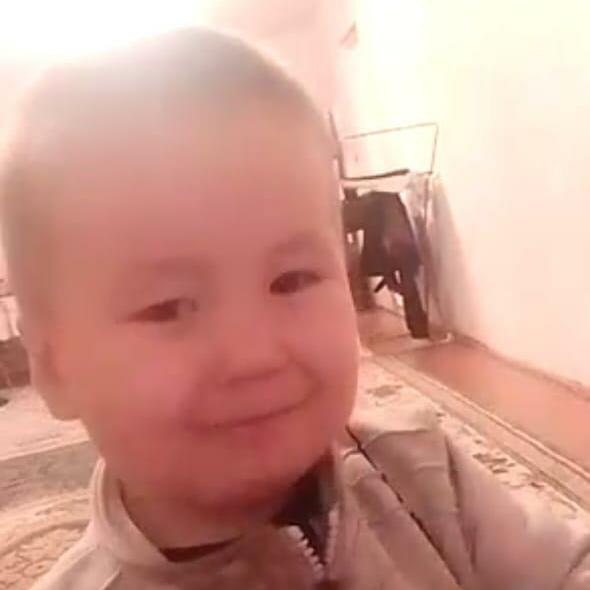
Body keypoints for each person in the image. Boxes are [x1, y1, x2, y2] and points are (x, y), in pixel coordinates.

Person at [0, 28, 589, 590]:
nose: (254, 355)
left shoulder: (426, 476)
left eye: (292, 280)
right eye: (169, 307)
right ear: (53, 366)